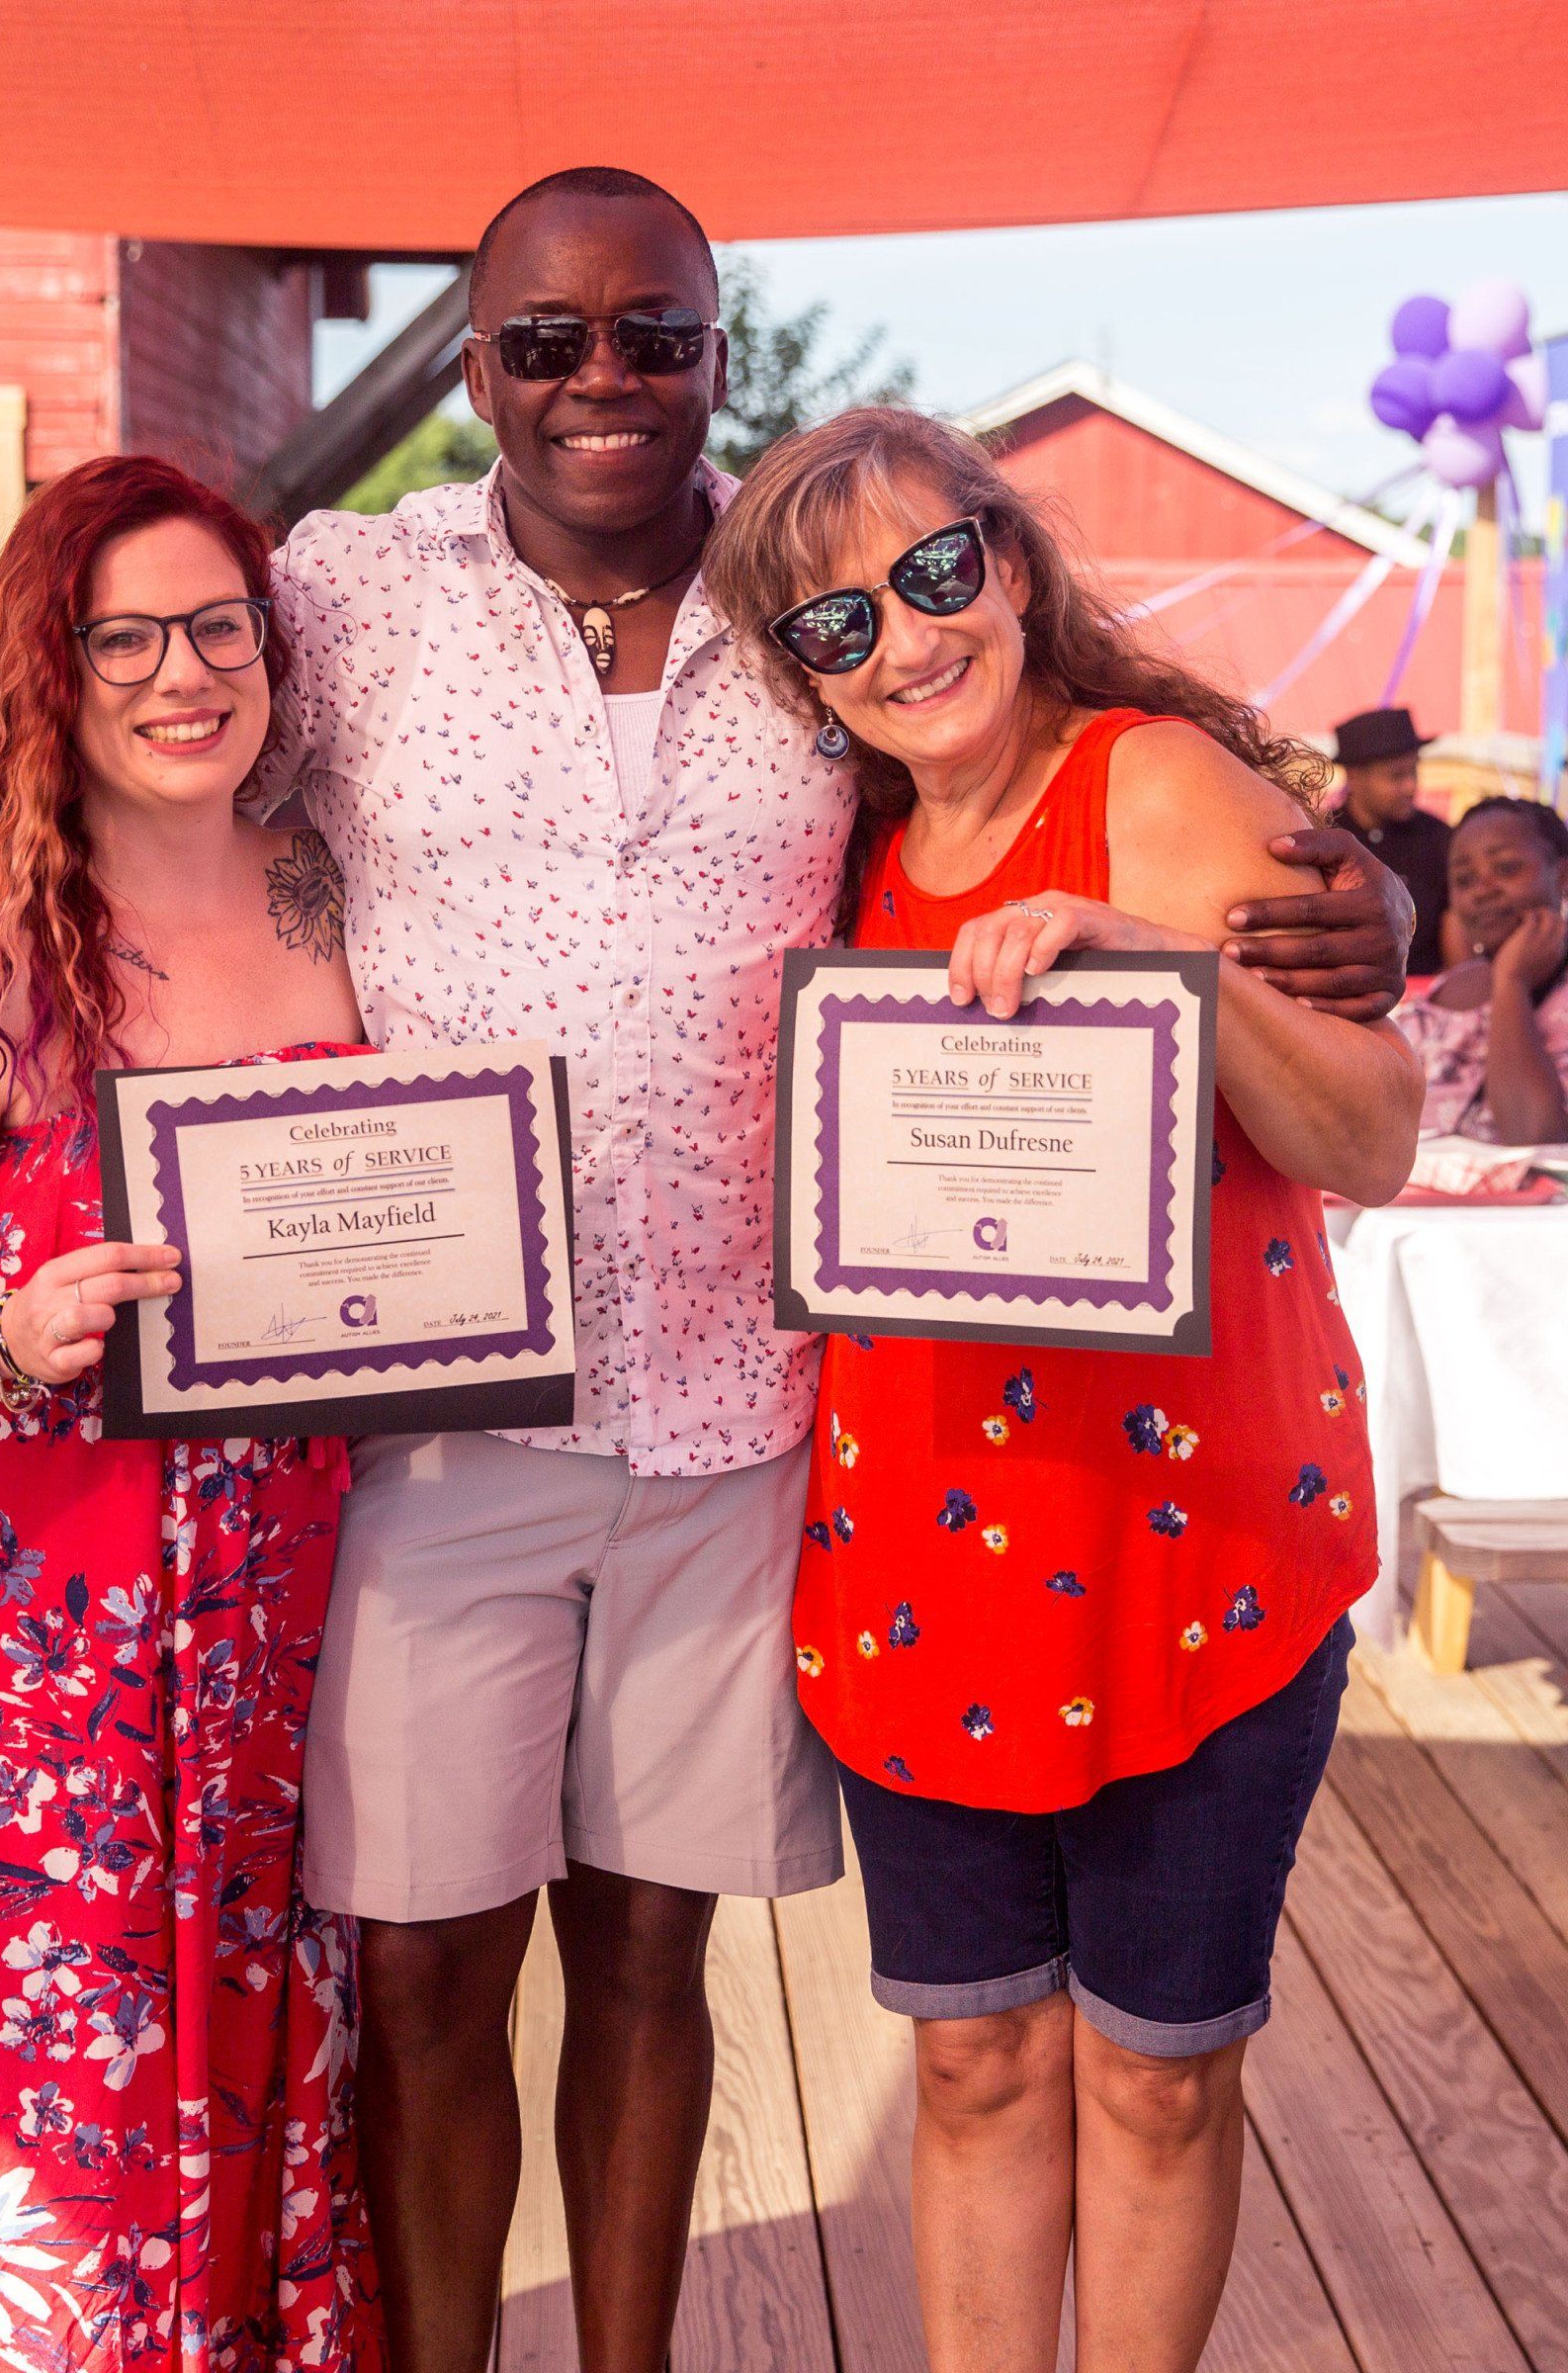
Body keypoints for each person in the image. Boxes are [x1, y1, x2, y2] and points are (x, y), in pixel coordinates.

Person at [0, 171, 1412, 2373]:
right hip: (433, 1427)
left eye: (654, 336)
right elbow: (115, 747)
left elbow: (1079, 724)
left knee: (649, 1956)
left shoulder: (804, 608)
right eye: (542, 340)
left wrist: (1350, 876)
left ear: (717, 346)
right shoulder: (345, 592)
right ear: (475, 361)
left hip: (747, 1424)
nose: (600, 379)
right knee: (424, 1971)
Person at [706, 405, 1422, 2373]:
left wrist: (1152, 972)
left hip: (1197, 1563)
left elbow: (1371, 1135)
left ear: (1009, 565)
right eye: (837, 623)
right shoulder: (828, 855)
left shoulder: (1159, 785)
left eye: (937, 573)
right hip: (920, 1562)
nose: (905, 639)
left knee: (1163, 2081)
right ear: (803, 677)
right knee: (976, 2070)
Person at [0, 455, 380, 2370]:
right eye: (118, 635)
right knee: (53, 2084)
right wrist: (5, 1332)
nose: (179, 673)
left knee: (248, 2041)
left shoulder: (336, 901)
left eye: (216, 624)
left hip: (282, 1632)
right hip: (40, 1647)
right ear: (46, 670)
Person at [1395, 794, 1568, 1143]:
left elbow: (1534, 1138)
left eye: (1506, 868)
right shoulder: (1447, 993)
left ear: (1562, 876)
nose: (1481, 891)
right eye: (1463, 879)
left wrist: (1511, 983)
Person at [1333, 705, 1449, 973]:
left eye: (1414, 772)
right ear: (1354, 776)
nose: (1411, 786)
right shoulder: (1327, 839)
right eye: (1397, 776)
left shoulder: (1439, 839)